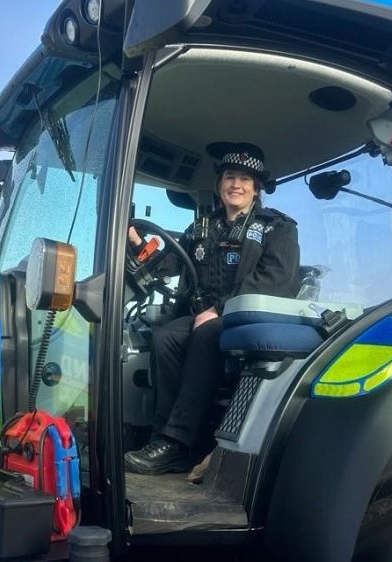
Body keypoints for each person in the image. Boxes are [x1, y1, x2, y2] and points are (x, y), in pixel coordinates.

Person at [124, 142, 300, 475]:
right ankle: (162, 439)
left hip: (247, 317)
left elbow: (276, 280)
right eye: (230, 177)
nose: (237, 184)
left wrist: (220, 310)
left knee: (205, 332)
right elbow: (169, 264)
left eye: (245, 179)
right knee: (165, 337)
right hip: (205, 317)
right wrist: (136, 242)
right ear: (220, 184)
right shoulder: (202, 228)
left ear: (256, 187)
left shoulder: (278, 228)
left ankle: (177, 440)